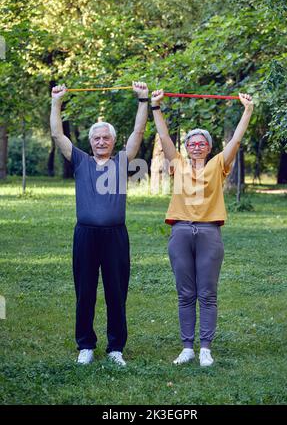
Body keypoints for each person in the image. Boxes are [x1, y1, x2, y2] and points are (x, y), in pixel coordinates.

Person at [151, 89, 254, 367]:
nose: (196, 146)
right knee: (185, 293)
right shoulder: (178, 164)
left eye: (201, 143)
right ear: (186, 148)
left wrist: (247, 110)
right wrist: (156, 107)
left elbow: (236, 140)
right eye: (192, 143)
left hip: (209, 233)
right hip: (181, 233)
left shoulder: (219, 165)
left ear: (209, 148)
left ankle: (205, 347)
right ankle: (187, 347)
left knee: (207, 293)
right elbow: (163, 138)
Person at [50, 81, 149, 366]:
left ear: (113, 141)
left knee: (116, 293)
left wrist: (143, 100)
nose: (102, 141)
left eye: (106, 138)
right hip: (86, 236)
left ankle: (115, 347)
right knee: (85, 292)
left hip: (116, 236)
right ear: (91, 142)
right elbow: (57, 134)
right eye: (97, 138)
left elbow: (139, 132)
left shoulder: (122, 160)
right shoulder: (80, 160)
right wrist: (57, 101)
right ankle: (86, 346)